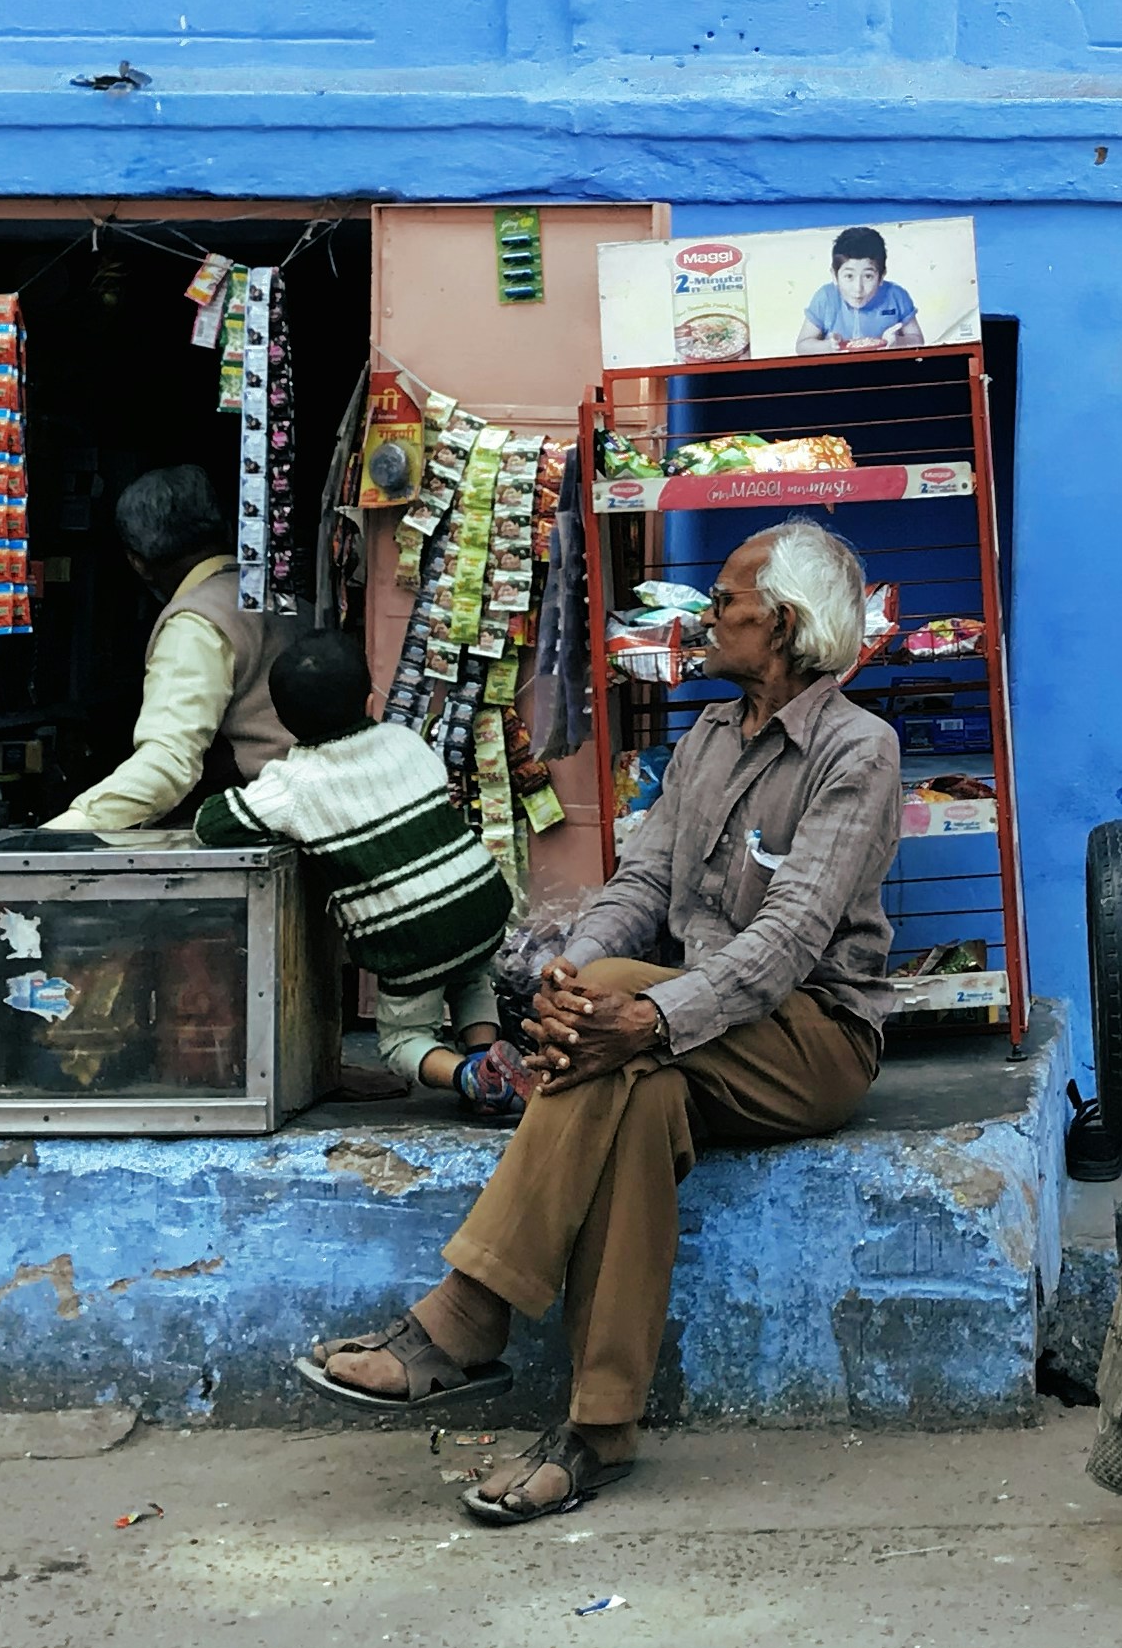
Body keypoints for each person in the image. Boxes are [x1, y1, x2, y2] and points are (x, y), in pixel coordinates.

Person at [309, 519, 899, 1521]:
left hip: (812, 1040)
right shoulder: (708, 739)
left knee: (627, 1018)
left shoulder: (858, 751)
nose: (705, 618)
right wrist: (568, 974)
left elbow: (787, 942)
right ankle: (598, 1431)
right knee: (637, 1096)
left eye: (724, 602)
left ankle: (466, 1317)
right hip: (692, 1036)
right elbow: (642, 885)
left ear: (782, 624)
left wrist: (646, 1013)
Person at [191, 629, 520, 1111]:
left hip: (413, 939)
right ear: (369, 700)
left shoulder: (294, 783)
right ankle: (487, 1058)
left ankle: (472, 1078)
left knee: (403, 1039)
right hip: (481, 901)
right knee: (470, 976)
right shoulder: (406, 741)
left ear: (282, 721)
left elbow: (212, 824)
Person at [58, 467, 286, 833]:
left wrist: (59, 835)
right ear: (228, 528)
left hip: (256, 824)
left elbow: (166, 764)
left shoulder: (195, 624)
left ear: (137, 562)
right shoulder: (284, 600)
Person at [794, 225, 923, 353]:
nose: (858, 288)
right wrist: (829, 346)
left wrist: (898, 342)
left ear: (881, 276)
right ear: (834, 276)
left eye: (868, 276)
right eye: (849, 276)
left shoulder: (896, 296)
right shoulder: (825, 298)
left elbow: (918, 340)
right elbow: (802, 346)